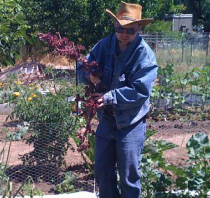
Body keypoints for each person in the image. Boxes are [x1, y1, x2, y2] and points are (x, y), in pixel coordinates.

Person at [77, 2, 158, 198]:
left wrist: (109, 96)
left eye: (130, 30)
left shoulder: (144, 55)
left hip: (131, 122)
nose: (124, 34)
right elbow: (84, 67)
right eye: (119, 29)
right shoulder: (104, 45)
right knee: (103, 173)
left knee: (129, 176)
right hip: (107, 119)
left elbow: (140, 91)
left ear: (138, 28)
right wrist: (89, 76)